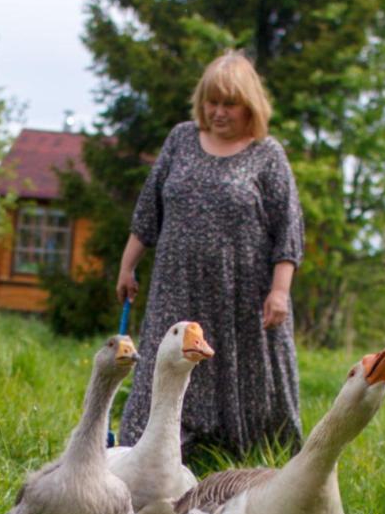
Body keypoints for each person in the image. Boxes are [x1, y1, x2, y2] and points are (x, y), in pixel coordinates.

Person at [115, 51, 305, 459]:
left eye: (229, 104)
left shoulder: (267, 155)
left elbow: (287, 229)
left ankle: (248, 462)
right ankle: (144, 459)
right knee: (163, 367)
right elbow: (150, 209)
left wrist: (280, 291)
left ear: (249, 105)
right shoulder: (181, 139)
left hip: (240, 293)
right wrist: (127, 265)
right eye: (211, 101)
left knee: (249, 381)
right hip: (175, 285)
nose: (218, 112)